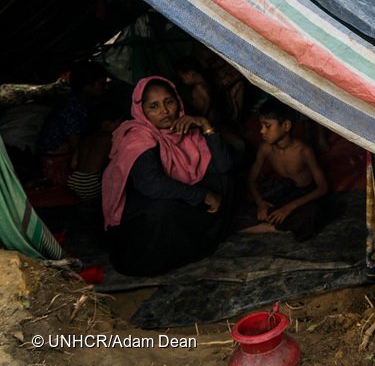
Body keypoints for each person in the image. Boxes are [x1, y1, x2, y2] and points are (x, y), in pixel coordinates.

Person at [101, 76, 234, 276]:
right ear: (141, 111)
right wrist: (203, 195)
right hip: (141, 217)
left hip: (174, 197)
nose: (164, 110)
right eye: (154, 106)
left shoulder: (186, 129)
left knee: (224, 180)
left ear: (178, 102)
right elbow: (151, 184)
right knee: (163, 209)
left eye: (169, 102)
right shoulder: (137, 137)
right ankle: (158, 259)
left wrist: (205, 125)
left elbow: (224, 166)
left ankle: (197, 245)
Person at [243, 98, 328, 241]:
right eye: (261, 126)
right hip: (284, 191)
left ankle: (273, 224)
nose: (261, 131)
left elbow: (323, 188)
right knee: (238, 209)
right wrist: (261, 203)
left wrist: (289, 208)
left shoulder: (303, 151)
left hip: (303, 195)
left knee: (311, 215)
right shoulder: (265, 149)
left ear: (286, 125)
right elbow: (251, 180)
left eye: (267, 126)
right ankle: (276, 224)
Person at [37, 61, 108, 185]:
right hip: (55, 164)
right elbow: (77, 147)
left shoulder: (83, 105)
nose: (105, 87)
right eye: (101, 84)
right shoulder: (71, 110)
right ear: (87, 86)